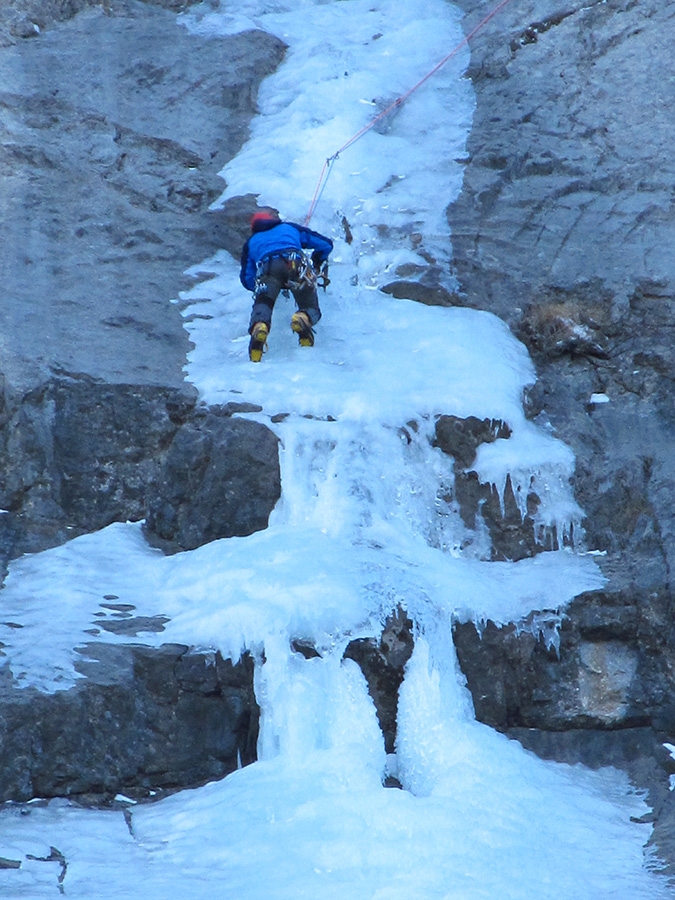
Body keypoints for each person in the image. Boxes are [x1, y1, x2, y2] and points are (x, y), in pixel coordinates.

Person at [240, 210, 333, 362]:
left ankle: (260, 325)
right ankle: (302, 317)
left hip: (267, 268)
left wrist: (267, 289)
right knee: (310, 306)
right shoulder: (289, 228)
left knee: (264, 304)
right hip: (295, 263)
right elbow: (326, 245)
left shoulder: (252, 241)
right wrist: (316, 262)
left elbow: (247, 278)